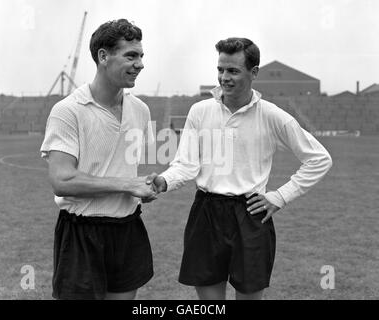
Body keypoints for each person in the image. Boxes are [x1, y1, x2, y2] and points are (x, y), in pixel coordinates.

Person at [150, 37, 333, 300]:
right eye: (220, 70)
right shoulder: (200, 111)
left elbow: (319, 159)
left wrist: (279, 197)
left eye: (233, 70)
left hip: (250, 213)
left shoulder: (272, 115)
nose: (224, 77)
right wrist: (163, 181)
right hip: (206, 212)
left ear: (254, 72)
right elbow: (186, 165)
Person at [40, 19, 158, 300]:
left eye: (141, 56)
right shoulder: (68, 111)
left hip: (127, 228)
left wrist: (145, 186)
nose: (140, 64)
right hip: (82, 232)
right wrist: (128, 184)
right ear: (103, 56)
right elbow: (62, 181)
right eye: (131, 55)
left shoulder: (140, 110)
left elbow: (125, 167)